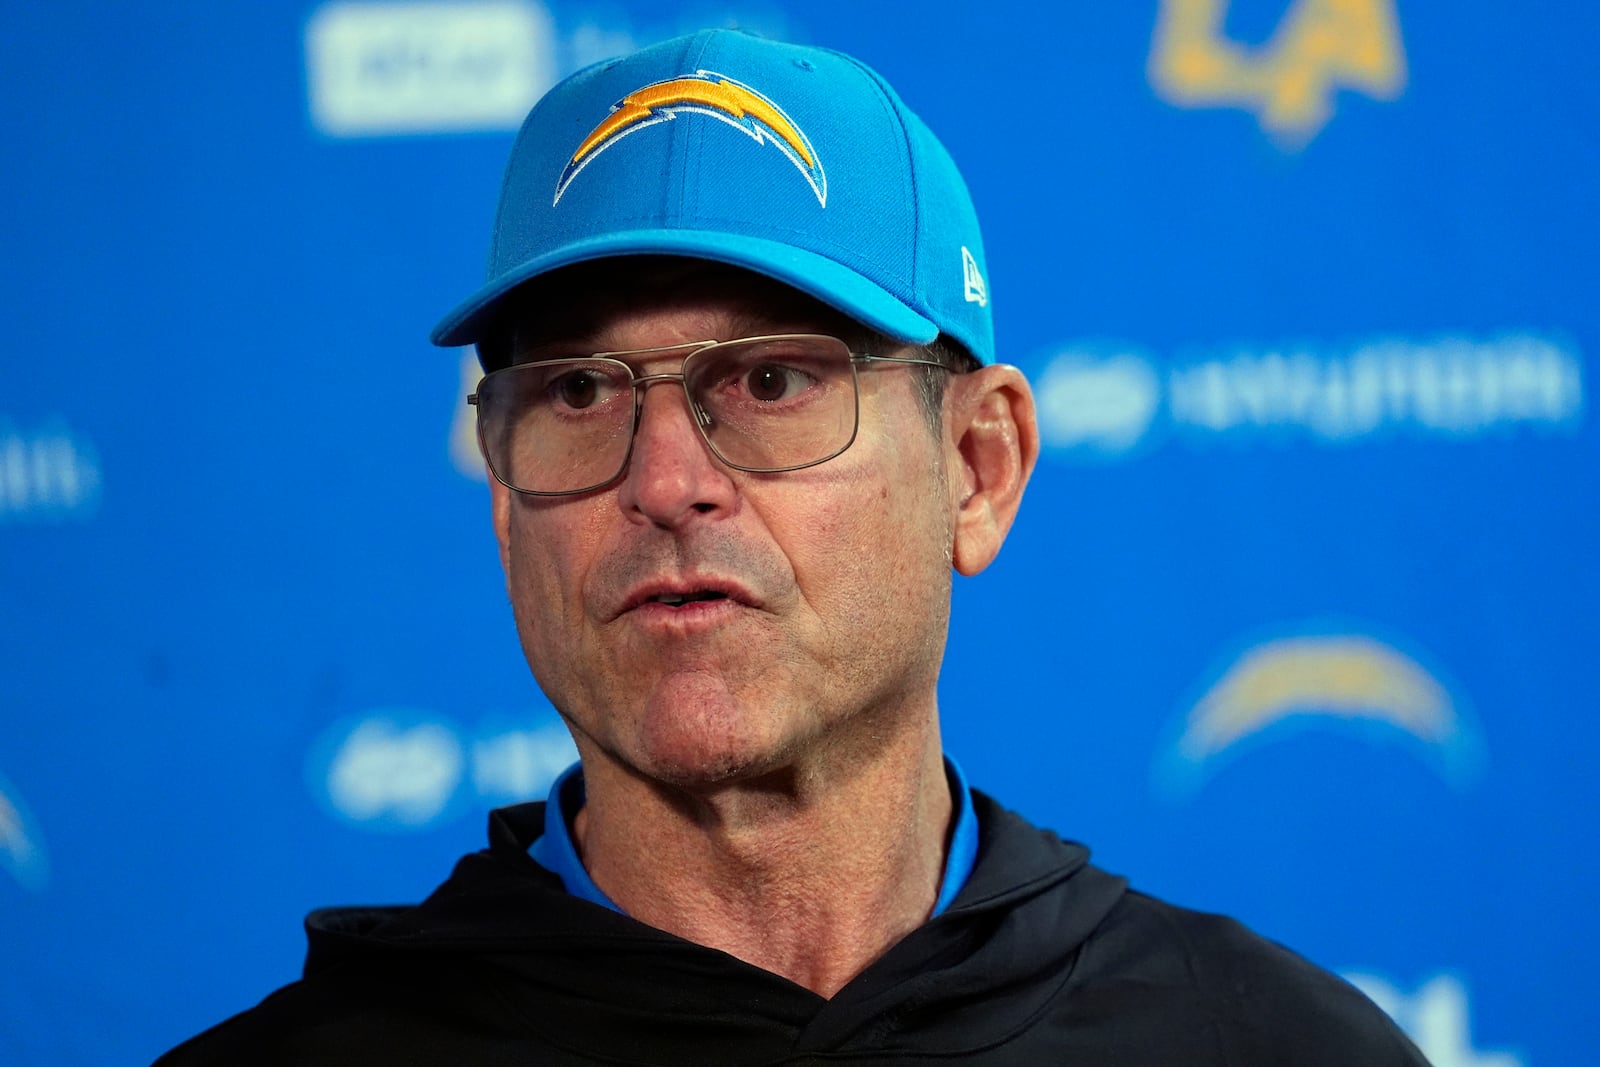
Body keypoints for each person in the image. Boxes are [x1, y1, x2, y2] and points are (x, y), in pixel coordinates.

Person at [159, 29, 1428, 1065]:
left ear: (977, 468)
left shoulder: (1274, 1047)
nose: (664, 482)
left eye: (772, 380)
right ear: (502, 499)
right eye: (579, 394)